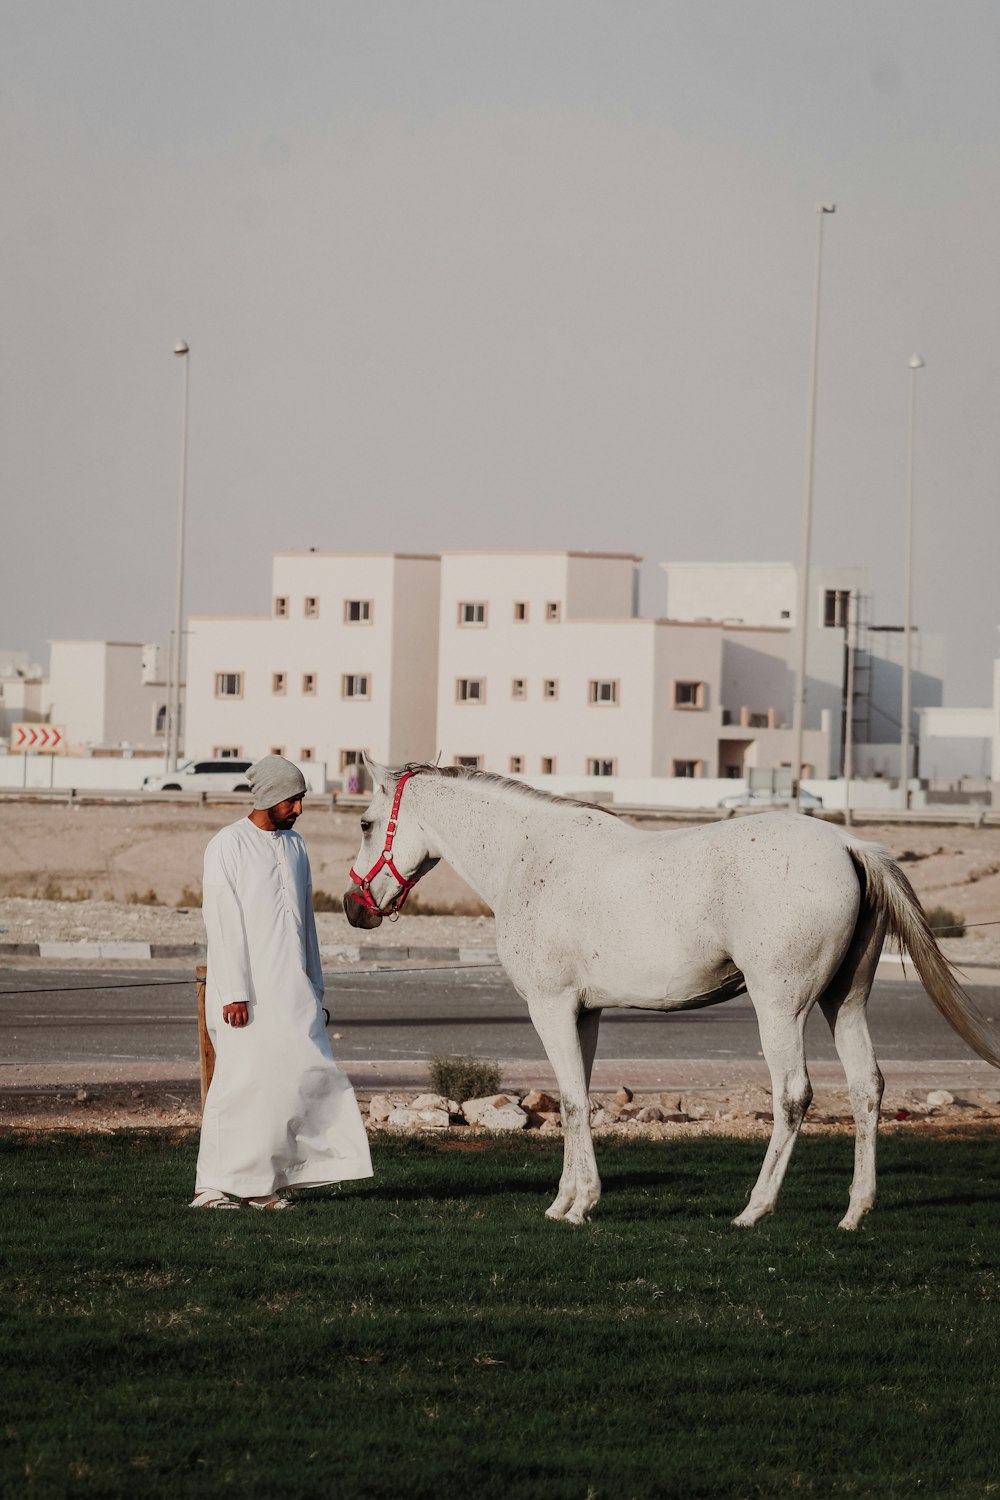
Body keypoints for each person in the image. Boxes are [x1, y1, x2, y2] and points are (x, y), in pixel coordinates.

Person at [191, 754, 373, 1209]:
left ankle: (264, 1183)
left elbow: (304, 923)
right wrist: (234, 993)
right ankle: (210, 1187)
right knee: (240, 1085)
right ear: (269, 796)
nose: (298, 809)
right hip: (245, 993)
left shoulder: (295, 847)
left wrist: (314, 983)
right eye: (292, 800)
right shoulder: (227, 845)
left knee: (292, 1082)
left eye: (300, 799)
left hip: (292, 989)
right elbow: (223, 923)